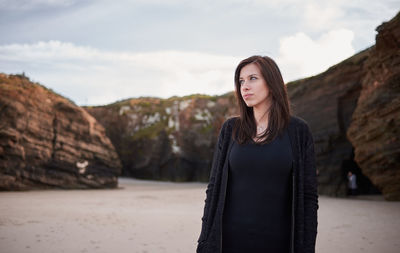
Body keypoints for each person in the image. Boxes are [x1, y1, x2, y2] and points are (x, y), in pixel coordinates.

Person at [196, 55, 318, 253]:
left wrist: (306, 247)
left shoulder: (298, 131)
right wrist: (204, 242)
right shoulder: (230, 129)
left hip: (279, 242)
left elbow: (308, 196)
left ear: (272, 82)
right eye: (241, 81)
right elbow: (213, 189)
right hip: (228, 241)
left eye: (253, 78)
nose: (244, 86)